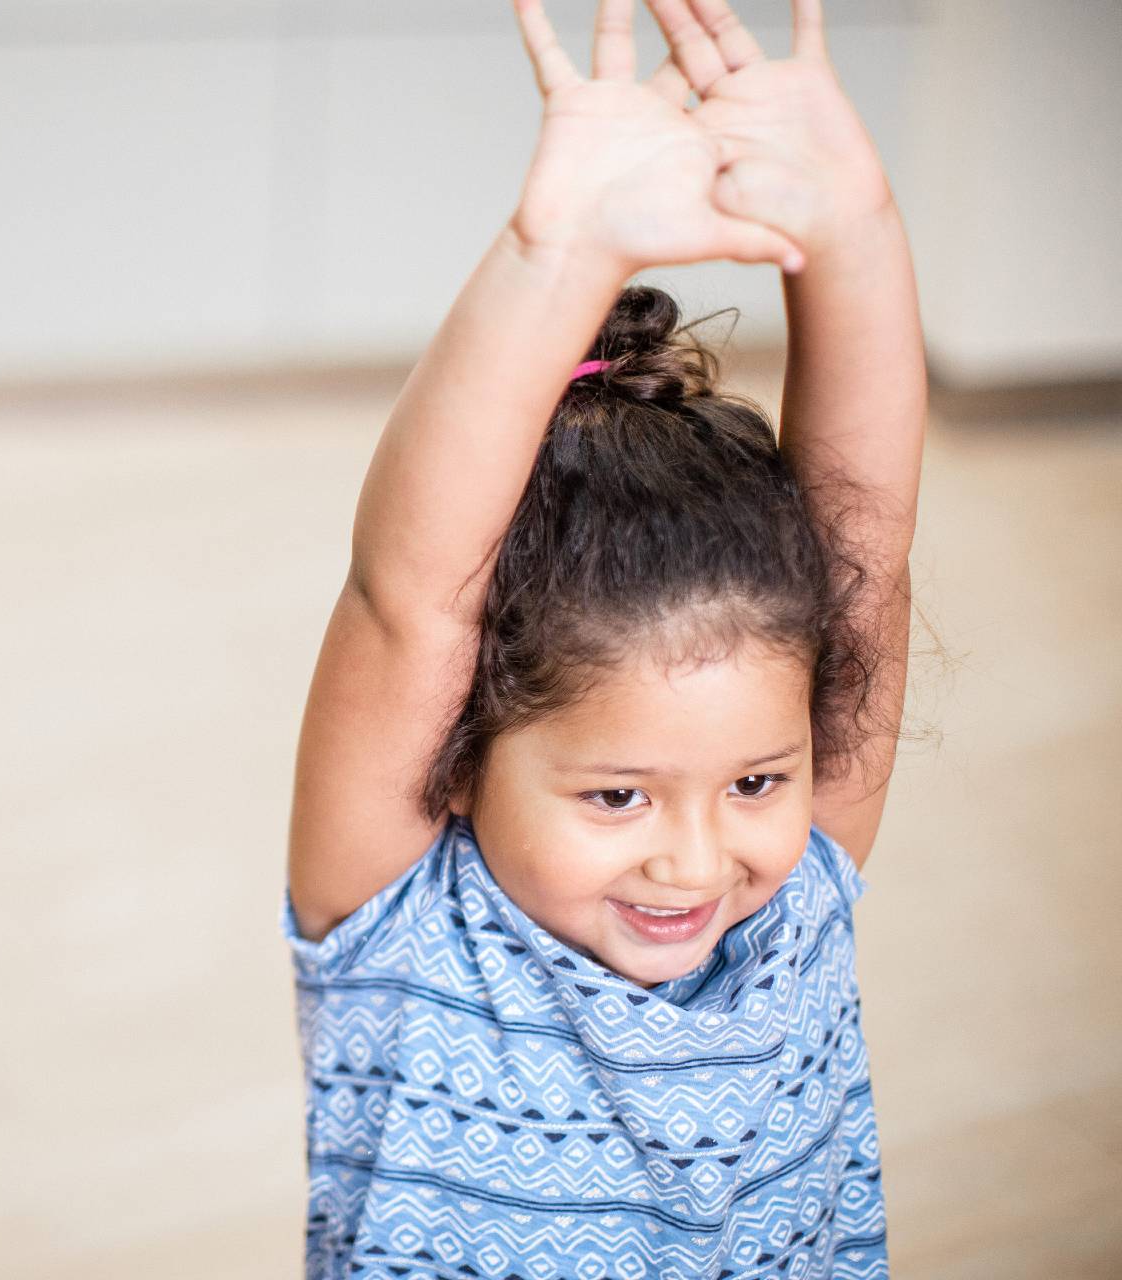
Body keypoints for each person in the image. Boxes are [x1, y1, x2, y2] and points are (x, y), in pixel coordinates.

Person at [281, 0, 925, 1274]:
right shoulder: (407, 936)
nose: (697, 860)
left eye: (757, 780)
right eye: (618, 793)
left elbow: (871, 553)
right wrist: (559, 252)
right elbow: (409, 599)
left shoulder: (793, 900)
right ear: (461, 753)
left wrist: (853, 232)